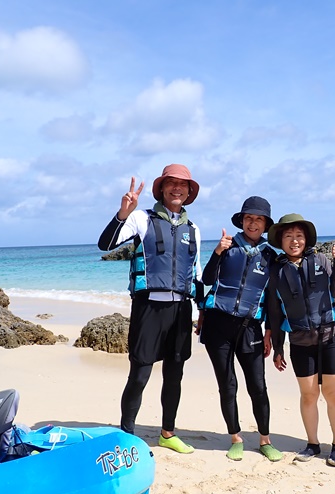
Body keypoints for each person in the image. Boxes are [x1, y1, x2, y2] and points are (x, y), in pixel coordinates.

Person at [97, 164, 203, 454]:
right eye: (171, 183)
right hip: (148, 310)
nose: (177, 189)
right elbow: (105, 244)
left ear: (189, 192)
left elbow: (196, 272)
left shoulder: (193, 229)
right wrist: (123, 213)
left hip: (180, 311)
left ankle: (168, 433)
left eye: (183, 185)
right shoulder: (141, 219)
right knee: (140, 374)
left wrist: (202, 310)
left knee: (174, 374)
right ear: (162, 188)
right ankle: (127, 434)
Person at [200, 196, 283, 462]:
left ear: (266, 224)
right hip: (218, 325)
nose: (253, 223)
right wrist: (217, 253)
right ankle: (235, 437)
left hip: (250, 328)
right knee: (228, 385)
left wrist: (270, 331)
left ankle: (265, 439)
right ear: (242, 221)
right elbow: (206, 279)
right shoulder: (228, 247)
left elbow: (272, 299)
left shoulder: (270, 256)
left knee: (258, 386)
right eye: (249, 218)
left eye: (259, 219)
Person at [266, 214, 335, 467]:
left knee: (333, 394)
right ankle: (312, 443)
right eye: (288, 236)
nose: (294, 241)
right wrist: (278, 348)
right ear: (281, 240)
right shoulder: (277, 272)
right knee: (308, 394)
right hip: (300, 342)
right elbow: (275, 312)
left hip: (330, 337)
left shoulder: (322, 260)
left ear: (306, 239)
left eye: (299, 236)